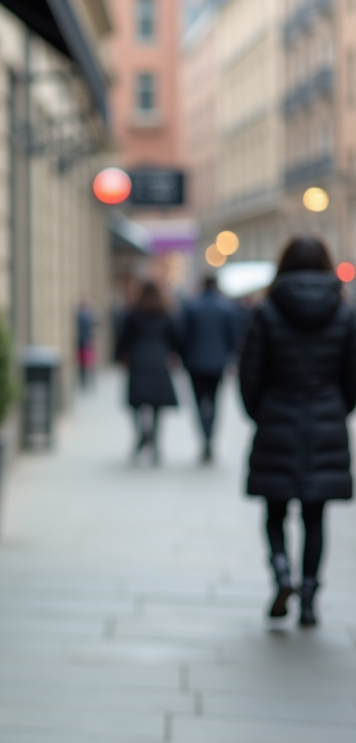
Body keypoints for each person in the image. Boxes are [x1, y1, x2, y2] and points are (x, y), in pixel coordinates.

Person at [238, 236, 356, 627]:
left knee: (274, 510)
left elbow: (250, 373)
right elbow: (352, 378)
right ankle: (308, 595)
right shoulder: (344, 313)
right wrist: (338, 409)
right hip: (325, 418)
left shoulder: (267, 311)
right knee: (314, 514)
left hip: (277, 416)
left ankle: (281, 572)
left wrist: (260, 412)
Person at [114, 281, 179, 464]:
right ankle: (155, 442)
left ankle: (143, 436)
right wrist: (176, 355)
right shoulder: (165, 313)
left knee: (137, 404)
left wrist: (119, 357)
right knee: (157, 406)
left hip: (138, 361)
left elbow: (123, 338)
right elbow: (175, 338)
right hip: (158, 361)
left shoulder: (134, 314)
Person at [178, 275, 238, 463]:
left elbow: (183, 336)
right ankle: (210, 438)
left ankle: (204, 438)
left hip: (195, 363)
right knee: (215, 403)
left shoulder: (191, 307)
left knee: (198, 404)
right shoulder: (226, 308)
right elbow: (233, 338)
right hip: (217, 363)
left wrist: (182, 358)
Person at [76, 299, 98, 390]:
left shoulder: (80, 315)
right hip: (85, 343)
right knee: (87, 364)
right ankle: (87, 382)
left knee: (84, 364)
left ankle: (85, 382)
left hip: (83, 342)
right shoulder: (85, 316)